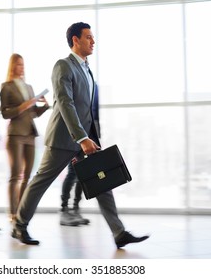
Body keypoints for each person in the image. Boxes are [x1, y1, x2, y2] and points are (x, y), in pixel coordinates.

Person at [12, 22, 149, 249]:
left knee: (103, 182)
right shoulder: (63, 66)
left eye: (93, 37)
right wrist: (81, 137)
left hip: (84, 138)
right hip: (64, 138)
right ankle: (20, 224)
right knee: (41, 181)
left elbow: (88, 107)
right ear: (75, 40)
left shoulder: (87, 69)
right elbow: (66, 104)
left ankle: (118, 232)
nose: (93, 41)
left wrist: (90, 136)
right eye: (88, 37)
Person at [0, 53, 49, 223]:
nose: (22, 67)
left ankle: (21, 211)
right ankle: (12, 212)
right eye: (19, 64)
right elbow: (5, 113)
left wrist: (45, 105)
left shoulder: (29, 87)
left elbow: (34, 113)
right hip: (15, 135)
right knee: (15, 175)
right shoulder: (6, 86)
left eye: (23, 64)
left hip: (30, 134)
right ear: (13, 66)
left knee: (27, 176)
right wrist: (22, 107)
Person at [60, 83, 100, 226]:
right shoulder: (76, 84)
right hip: (76, 134)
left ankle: (75, 209)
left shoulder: (94, 84)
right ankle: (64, 210)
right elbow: (69, 108)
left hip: (90, 134)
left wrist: (95, 135)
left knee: (84, 173)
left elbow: (94, 112)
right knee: (73, 172)